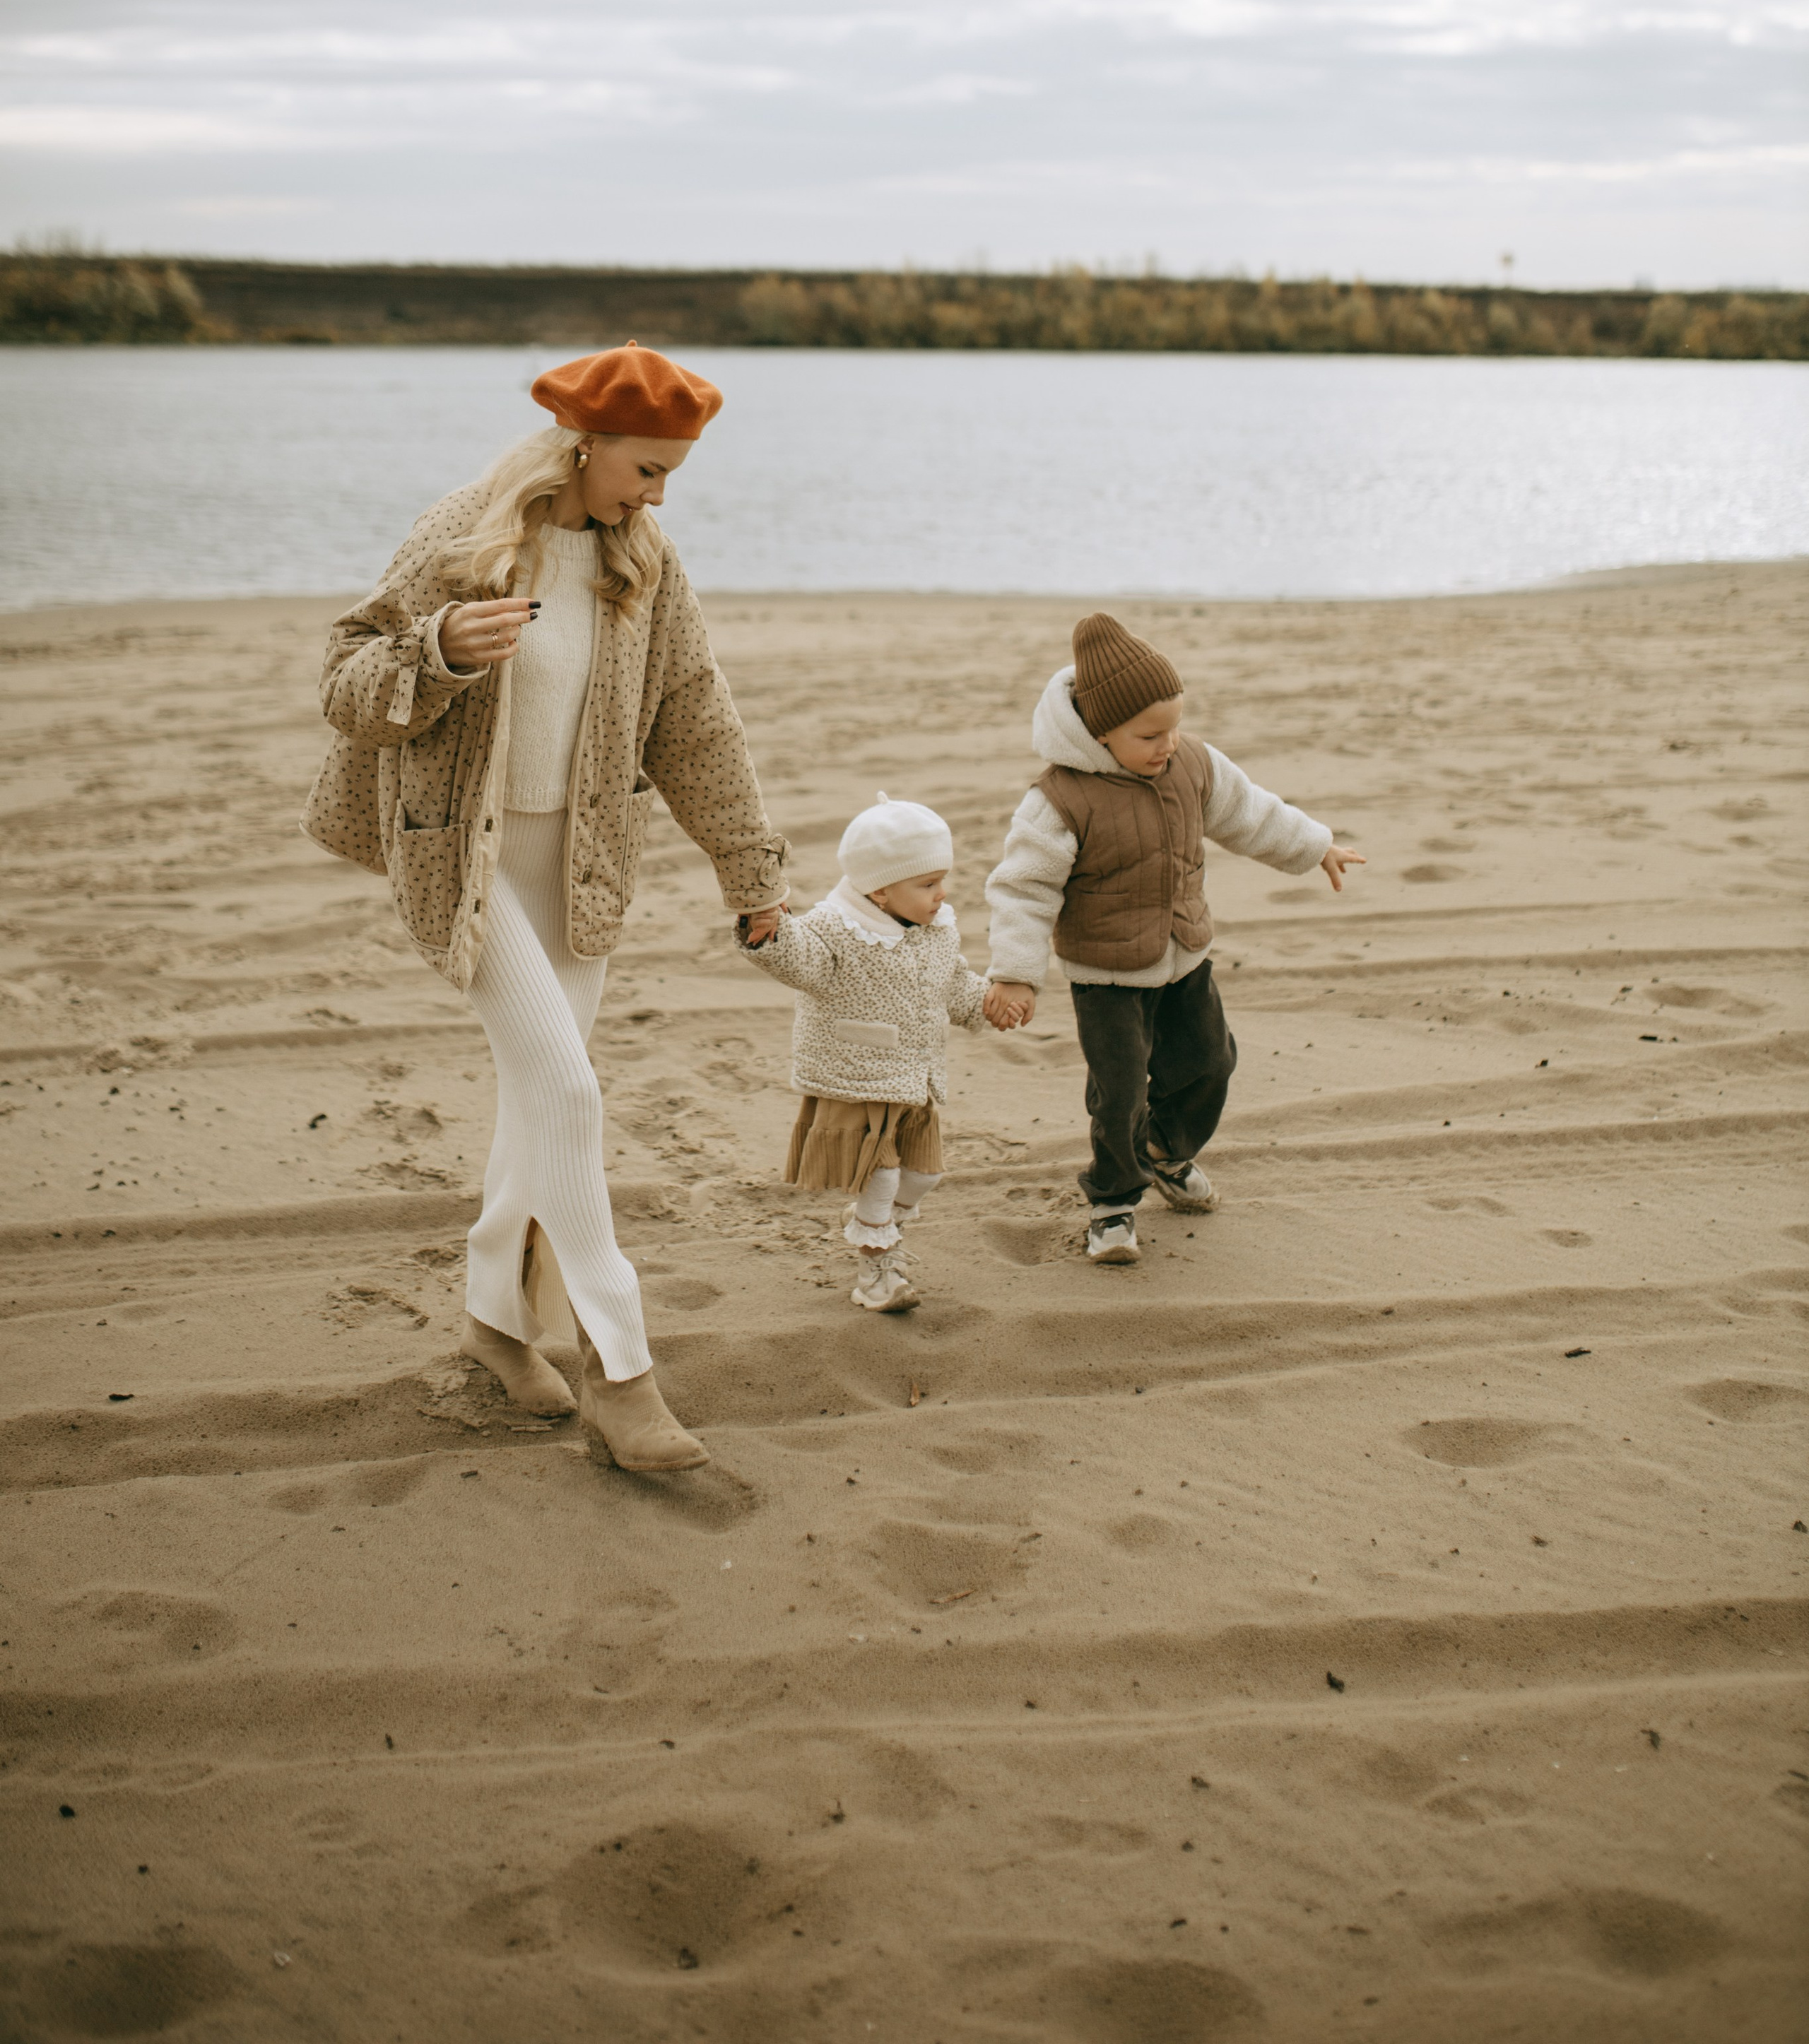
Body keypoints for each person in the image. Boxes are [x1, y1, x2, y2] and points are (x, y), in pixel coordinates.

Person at [301, 343, 789, 1468]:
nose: (659, 495)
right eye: (647, 469)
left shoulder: (644, 563)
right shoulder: (468, 533)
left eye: (672, 474)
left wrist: (750, 870)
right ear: (584, 443)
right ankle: (621, 1372)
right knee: (567, 1092)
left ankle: (490, 1323)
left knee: (536, 1109)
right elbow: (346, 682)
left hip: (580, 871)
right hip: (461, 867)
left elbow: (694, 720)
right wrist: (439, 652)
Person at [982, 613, 1364, 1264]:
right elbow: (1024, 888)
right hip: (1106, 974)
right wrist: (1016, 972)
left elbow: (1251, 813)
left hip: (1185, 954)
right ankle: (1112, 1203)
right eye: (1149, 734)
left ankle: (1165, 1150)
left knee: (1211, 1061)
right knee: (1120, 1092)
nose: (1168, 743)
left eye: (1175, 726)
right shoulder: (1060, 799)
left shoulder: (1191, 764)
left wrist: (1314, 845)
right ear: (1099, 734)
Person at [737, 796, 990, 1313]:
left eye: (942, 880)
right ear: (879, 888)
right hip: (858, 1077)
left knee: (925, 1176)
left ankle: (875, 1224)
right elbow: (799, 958)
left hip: (914, 1080)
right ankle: (878, 1272)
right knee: (885, 1175)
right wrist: (768, 935)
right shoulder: (835, 929)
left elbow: (955, 982)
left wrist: (989, 1004)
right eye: (927, 885)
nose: (941, 895)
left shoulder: (937, 930)